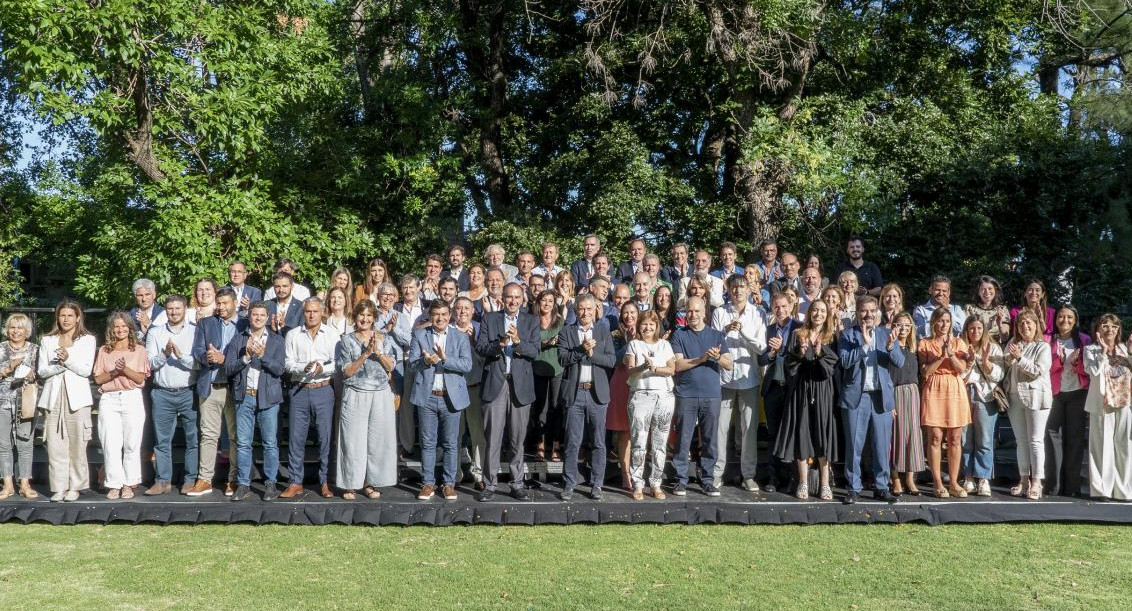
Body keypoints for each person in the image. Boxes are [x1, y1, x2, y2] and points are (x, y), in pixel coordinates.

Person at [475, 282, 539, 501]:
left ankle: (517, 483)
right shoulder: (490, 319)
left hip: (519, 386)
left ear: (522, 300)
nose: (513, 301)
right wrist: (501, 343)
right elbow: (481, 348)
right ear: (502, 298)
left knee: (516, 439)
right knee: (492, 438)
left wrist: (518, 342)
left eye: (517, 298)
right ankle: (489, 484)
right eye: (509, 297)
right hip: (496, 384)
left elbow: (535, 351)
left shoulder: (531, 321)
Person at [838, 296, 903, 504]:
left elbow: (900, 362)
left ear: (878, 312)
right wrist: (864, 346)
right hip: (857, 397)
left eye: (872, 310)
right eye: (864, 311)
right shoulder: (848, 335)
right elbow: (845, 362)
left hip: (880, 397)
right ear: (857, 314)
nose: (868, 314)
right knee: (854, 446)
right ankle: (854, 487)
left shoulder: (886, 334)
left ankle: (882, 486)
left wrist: (892, 346)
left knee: (882, 445)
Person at [772, 299, 838, 500]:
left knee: (822, 435)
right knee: (802, 433)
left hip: (823, 390)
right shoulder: (797, 334)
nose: (818, 314)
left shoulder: (832, 336)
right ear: (809, 313)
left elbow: (832, 367)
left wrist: (818, 352)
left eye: (822, 311)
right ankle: (803, 482)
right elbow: (789, 367)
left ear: (827, 315)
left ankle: (825, 484)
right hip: (801, 390)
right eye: (815, 310)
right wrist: (800, 354)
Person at [334, 301, 397, 500]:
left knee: (378, 441)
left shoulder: (384, 338)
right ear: (355, 317)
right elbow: (347, 371)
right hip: (355, 393)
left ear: (374, 319)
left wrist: (377, 351)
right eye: (362, 315)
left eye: (369, 316)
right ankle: (350, 484)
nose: (365, 319)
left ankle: (372, 483)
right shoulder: (346, 341)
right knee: (352, 441)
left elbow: (391, 366)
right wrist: (366, 354)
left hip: (380, 393)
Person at [409, 300, 472, 501]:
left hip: (450, 398)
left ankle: (448, 484)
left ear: (450, 314)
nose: (440, 318)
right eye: (436, 314)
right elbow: (411, 365)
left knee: (451, 443)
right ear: (430, 315)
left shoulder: (460, 337)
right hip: (427, 397)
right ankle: (428, 483)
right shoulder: (420, 335)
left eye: (444, 314)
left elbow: (467, 365)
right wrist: (425, 361)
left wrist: (445, 359)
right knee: (427, 443)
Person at [670, 296, 733, 497]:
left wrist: (717, 357)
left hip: (711, 395)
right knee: (683, 439)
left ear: (704, 312)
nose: (693, 315)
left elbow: (729, 363)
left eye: (697, 311)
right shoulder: (679, 335)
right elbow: (678, 365)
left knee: (709, 440)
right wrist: (703, 358)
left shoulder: (716, 335)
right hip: (686, 395)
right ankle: (680, 480)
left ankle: (707, 480)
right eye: (689, 311)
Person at [710, 274, 767, 491]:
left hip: (749, 378)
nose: (738, 291)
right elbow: (713, 342)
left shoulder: (758, 313)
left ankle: (748, 475)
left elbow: (762, 348)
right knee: (720, 429)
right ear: (729, 290)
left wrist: (742, 331)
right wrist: (725, 331)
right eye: (734, 288)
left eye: (742, 287)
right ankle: (716, 473)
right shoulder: (720, 312)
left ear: (749, 290)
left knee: (748, 430)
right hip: (723, 380)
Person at [557, 293, 616, 500]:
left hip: (597, 394)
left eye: (589, 309)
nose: (585, 313)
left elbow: (610, 361)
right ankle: (569, 484)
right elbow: (563, 359)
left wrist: (592, 355)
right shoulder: (567, 332)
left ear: (595, 310)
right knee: (573, 441)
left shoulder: (603, 331)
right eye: (581, 309)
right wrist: (581, 350)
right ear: (576, 310)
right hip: (575, 393)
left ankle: (597, 484)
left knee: (599, 441)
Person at [224, 301, 285, 502]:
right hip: (245, 396)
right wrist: (246, 358)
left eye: (261, 315)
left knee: (269, 443)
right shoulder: (238, 340)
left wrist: (263, 356)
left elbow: (279, 369)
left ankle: (270, 484)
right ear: (249, 316)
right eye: (254, 315)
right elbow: (228, 369)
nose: (257, 318)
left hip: (268, 398)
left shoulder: (276, 341)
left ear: (267, 318)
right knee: (243, 443)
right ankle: (243, 484)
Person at [187, 287, 245, 496]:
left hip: (235, 387)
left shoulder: (244, 324)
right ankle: (204, 479)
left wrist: (225, 360)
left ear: (234, 303)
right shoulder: (206, 323)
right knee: (208, 435)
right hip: (210, 386)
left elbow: (246, 356)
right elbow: (197, 350)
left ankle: (234, 479)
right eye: (218, 303)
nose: (220, 307)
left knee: (235, 436)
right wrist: (208, 357)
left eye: (225, 303)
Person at [281, 298, 341, 499]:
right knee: (296, 439)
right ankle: (295, 481)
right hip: (299, 389)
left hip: (324, 389)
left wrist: (322, 368)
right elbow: (287, 363)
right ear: (303, 312)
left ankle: (325, 482)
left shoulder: (332, 334)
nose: (311, 315)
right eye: (308, 311)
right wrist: (303, 368)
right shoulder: (293, 335)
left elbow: (337, 363)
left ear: (322, 312)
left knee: (325, 438)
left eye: (315, 311)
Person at [38, 300, 97, 502]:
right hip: (54, 396)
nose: (65, 319)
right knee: (55, 445)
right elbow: (42, 371)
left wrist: (67, 359)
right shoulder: (47, 340)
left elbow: (86, 370)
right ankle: (59, 487)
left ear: (78, 317)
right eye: (62, 315)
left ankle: (76, 486)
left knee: (78, 445)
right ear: (57, 317)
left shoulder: (87, 340)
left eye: (70, 315)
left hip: (78, 399)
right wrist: (60, 366)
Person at [92, 311, 151, 499]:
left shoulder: (139, 350)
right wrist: (114, 372)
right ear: (111, 329)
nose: (120, 329)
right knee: (110, 443)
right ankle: (114, 484)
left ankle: (129, 483)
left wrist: (124, 369)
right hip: (109, 399)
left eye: (124, 326)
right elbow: (99, 378)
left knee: (132, 443)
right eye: (116, 326)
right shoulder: (104, 350)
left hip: (131, 397)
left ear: (130, 328)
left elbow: (141, 378)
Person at [144, 295, 199, 496]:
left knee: (192, 439)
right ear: (165, 311)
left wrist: (180, 356)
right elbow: (149, 364)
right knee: (162, 440)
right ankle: (163, 480)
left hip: (188, 392)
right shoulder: (155, 333)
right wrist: (165, 355)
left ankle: (190, 479)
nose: (173, 312)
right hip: (162, 393)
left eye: (177, 308)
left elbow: (198, 364)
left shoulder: (195, 331)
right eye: (170, 309)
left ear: (185, 309)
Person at [918, 308, 972, 498]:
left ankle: (954, 482)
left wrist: (950, 354)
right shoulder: (925, 343)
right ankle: (937, 482)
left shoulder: (959, 342)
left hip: (955, 389)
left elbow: (962, 369)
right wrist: (941, 356)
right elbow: (925, 372)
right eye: (940, 321)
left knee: (955, 438)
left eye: (947, 321)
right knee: (934, 437)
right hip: (934, 388)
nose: (943, 324)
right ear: (933, 322)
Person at [625, 310, 676, 499]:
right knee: (639, 441)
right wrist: (643, 367)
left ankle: (656, 483)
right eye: (644, 324)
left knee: (660, 443)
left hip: (664, 396)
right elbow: (630, 371)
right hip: (640, 395)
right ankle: (638, 484)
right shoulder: (634, 344)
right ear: (639, 326)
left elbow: (672, 369)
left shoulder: (665, 345)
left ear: (657, 327)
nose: (647, 328)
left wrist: (655, 368)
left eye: (651, 325)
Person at [1003, 310, 1053, 500]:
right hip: (1014, 396)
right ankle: (1024, 480)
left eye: (1029, 323)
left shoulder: (1043, 347)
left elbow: (1038, 371)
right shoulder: (1013, 343)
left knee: (1035, 441)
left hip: (1036, 397)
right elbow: (1005, 364)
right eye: (1022, 323)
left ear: (1036, 326)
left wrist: (1019, 358)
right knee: (1021, 441)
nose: (1025, 326)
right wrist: (1009, 357)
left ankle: (1037, 482)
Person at [1082, 314, 1132, 500]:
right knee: (1101, 446)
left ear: (1118, 330)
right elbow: (1092, 371)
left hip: (1124, 401)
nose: (1110, 329)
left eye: (1114, 326)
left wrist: (1130, 353)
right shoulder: (1091, 349)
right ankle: (1101, 489)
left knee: (1124, 445)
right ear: (1098, 329)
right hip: (1102, 402)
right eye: (1105, 325)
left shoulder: (1124, 349)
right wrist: (1102, 353)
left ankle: (1124, 491)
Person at [1045, 305, 1090, 497]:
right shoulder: (1047, 340)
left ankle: (1072, 488)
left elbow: (1088, 370)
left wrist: (1074, 363)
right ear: (1055, 320)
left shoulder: (1084, 340)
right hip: (1054, 394)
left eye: (1069, 317)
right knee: (1052, 437)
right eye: (1061, 317)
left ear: (1075, 320)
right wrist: (1061, 362)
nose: (1065, 320)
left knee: (1075, 439)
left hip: (1077, 393)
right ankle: (1053, 486)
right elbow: (1045, 368)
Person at [758, 293, 800, 492]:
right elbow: (761, 360)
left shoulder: (800, 328)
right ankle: (773, 478)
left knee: (791, 433)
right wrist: (772, 354)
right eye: (776, 306)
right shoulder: (767, 330)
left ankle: (792, 477)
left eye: (784, 306)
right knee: (773, 433)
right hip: (773, 386)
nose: (780, 310)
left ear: (791, 306)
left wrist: (782, 348)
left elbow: (801, 356)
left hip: (792, 388)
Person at [960, 316, 1004, 497]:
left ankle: (983, 478)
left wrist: (986, 364)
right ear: (966, 330)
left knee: (984, 440)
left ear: (984, 330)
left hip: (985, 396)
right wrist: (969, 362)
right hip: (963, 394)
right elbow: (957, 373)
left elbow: (1000, 375)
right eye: (971, 328)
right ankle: (968, 476)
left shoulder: (993, 348)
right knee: (965, 439)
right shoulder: (960, 346)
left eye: (979, 328)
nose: (975, 332)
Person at [0, 314, 39, 499]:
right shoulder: (0, 348)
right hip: (3, 401)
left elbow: (42, 374)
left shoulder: (35, 350)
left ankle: (24, 483)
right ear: (7, 330)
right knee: (3, 444)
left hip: (26, 402)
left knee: (25, 443)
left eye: (20, 327)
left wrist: (32, 374)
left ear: (27, 331)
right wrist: (7, 369)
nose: (16, 331)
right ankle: (7, 485)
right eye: (12, 327)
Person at [452, 297, 488, 489]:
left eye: (466, 308)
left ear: (473, 311)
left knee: (477, 434)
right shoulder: (448, 330)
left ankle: (479, 474)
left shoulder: (481, 328)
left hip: (474, 386)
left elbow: (486, 359)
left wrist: (474, 342)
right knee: (455, 434)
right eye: (458, 308)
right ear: (453, 311)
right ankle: (454, 474)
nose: (462, 312)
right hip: (454, 389)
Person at [888, 312, 925, 496]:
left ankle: (910, 478)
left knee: (912, 436)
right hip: (895, 392)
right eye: (899, 324)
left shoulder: (914, 347)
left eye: (907, 325)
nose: (903, 328)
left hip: (912, 393)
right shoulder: (889, 346)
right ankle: (895, 479)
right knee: (895, 436)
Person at [529, 290, 564, 462]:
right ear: (538, 302)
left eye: (550, 301)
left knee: (556, 408)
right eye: (544, 300)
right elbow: (530, 343)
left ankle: (555, 447)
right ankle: (540, 446)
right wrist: (547, 343)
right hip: (537, 369)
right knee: (540, 409)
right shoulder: (532, 321)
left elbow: (564, 343)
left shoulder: (560, 321)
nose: (547, 304)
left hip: (557, 368)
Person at [607, 301, 638, 490]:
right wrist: (629, 343)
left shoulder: (646, 330)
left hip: (642, 384)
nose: (629, 316)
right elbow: (614, 360)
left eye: (632, 312)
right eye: (625, 313)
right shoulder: (615, 335)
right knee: (625, 432)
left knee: (642, 432)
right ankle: (625, 474)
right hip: (621, 384)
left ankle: (639, 472)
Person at [963, 276, 1011, 344]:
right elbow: (966, 332)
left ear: (995, 290)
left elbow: (1005, 338)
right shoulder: (970, 309)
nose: (987, 292)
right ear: (978, 292)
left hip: (996, 348)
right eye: (983, 289)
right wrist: (988, 326)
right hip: (976, 346)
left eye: (990, 288)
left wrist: (999, 324)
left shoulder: (1002, 310)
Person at [265, 272, 306, 337]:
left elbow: (302, 334)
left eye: (285, 286)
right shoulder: (266, 306)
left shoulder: (301, 307)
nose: (281, 290)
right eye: (277, 286)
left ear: (292, 286)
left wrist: (283, 327)